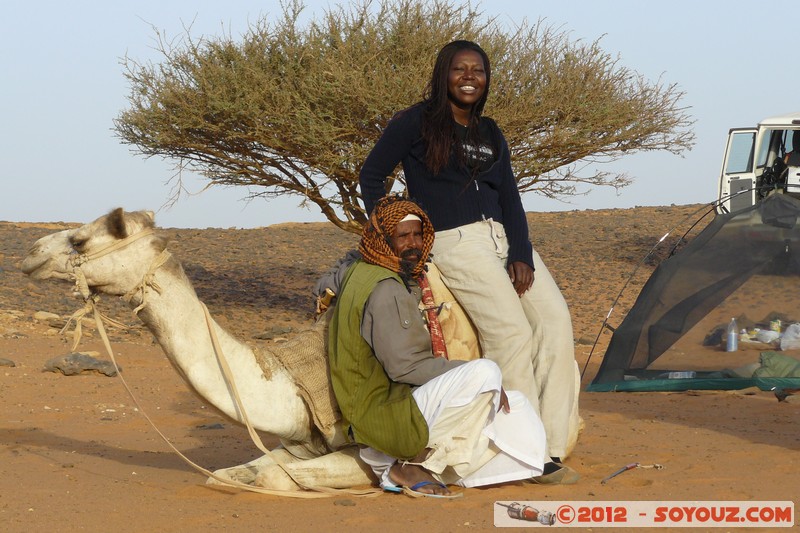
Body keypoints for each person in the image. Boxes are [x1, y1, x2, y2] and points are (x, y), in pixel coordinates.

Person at [358, 40, 580, 478]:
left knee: (555, 321)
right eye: (459, 69)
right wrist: (392, 225)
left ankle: (551, 442)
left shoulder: (490, 132)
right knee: (511, 332)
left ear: (486, 79)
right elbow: (371, 173)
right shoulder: (414, 123)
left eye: (477, 71)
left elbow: (511, 198)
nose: (469, 78)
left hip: (502, 238)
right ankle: (522, 450)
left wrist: (521, 252)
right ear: (444, 75)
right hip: (455, 240)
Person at [327, 196, 549, 497]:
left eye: (418, 235)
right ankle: (408, 464)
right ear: (384, 239)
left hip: (372, 399)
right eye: (403, 236)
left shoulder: (359, 270)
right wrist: (470, 374)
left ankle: (446, 467)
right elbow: (405, 366)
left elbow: (331, 278)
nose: (413, 243)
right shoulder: (387, 289)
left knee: (518, 408)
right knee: (486, 373)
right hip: (381, 409)